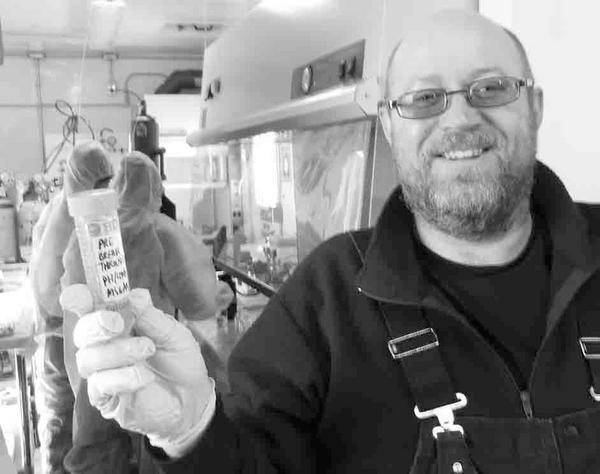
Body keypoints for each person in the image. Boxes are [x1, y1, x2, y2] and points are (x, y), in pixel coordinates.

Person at [62, 9, 600, 473]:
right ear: (390, 126)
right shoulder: (328, 296)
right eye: (423, 98)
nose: (458, 117)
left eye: (491, 87)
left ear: (534, 107)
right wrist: (190, 432)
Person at [60, 152, 229, 473]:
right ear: (154, 188)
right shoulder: (161, 232)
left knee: (97, 457)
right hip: (152, 364)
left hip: (97, 366)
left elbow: (68, 303)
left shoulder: (83, 234)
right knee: (154, 454)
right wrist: (222, 296)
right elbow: (199, 300)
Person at [29, 140, 113, 474]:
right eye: (100, 183)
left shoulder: (81, 208)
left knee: (87, 432)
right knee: (64, 429)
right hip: (60, 343)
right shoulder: (64, 216)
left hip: (81, 339)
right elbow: (49, 294)